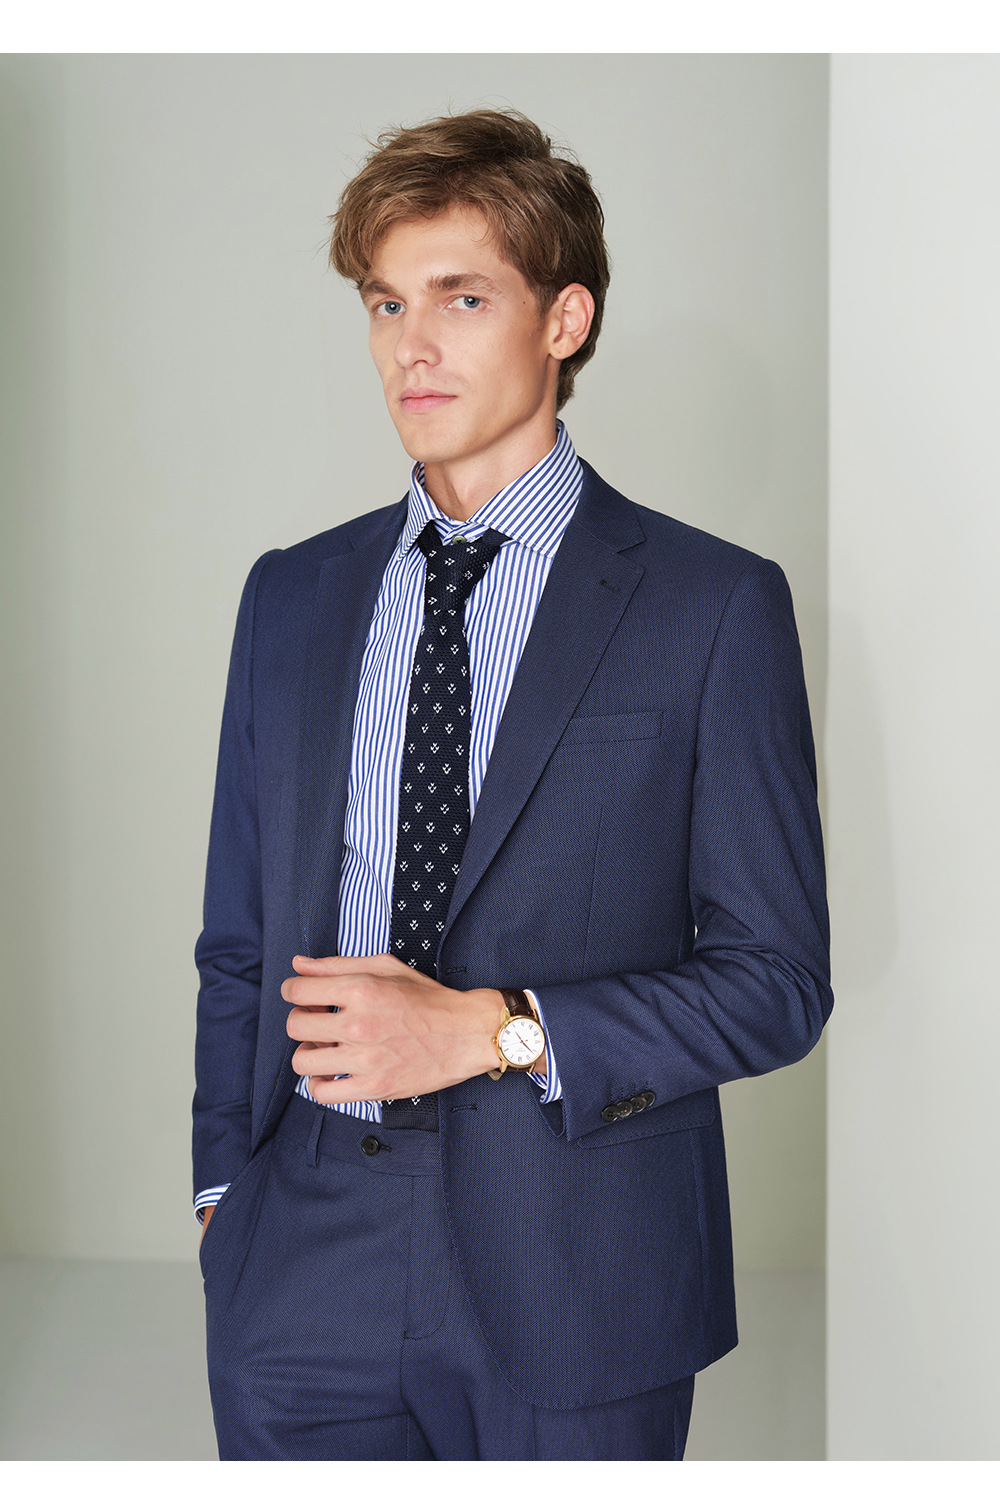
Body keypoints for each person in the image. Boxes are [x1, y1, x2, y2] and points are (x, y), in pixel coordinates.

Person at [192, 108, 832, 1462]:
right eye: (386, 303)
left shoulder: (712, 606)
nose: (410, 345)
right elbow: (239, 938)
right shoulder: (291, 597)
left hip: (578, 1263)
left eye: (462, 297)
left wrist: (499, 1032)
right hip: (304, 1251)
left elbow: (777, 980)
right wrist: (221, 1199)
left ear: (564, 319)